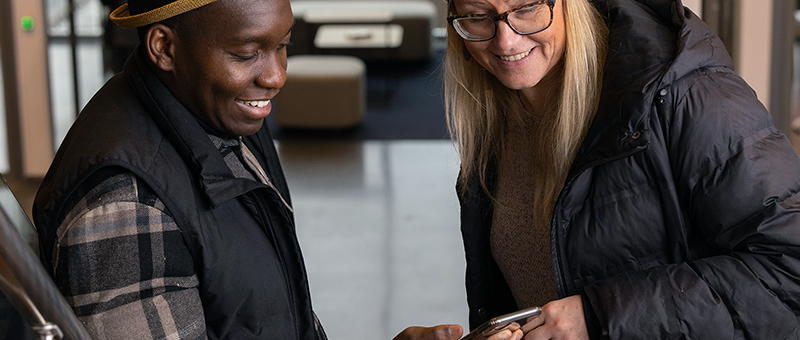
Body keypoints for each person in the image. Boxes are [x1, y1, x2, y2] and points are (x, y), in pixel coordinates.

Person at [31, 0, 465, 338]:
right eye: (246, 53)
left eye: (283, 46)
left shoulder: (222, 117)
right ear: (164, 47)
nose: (276, 76)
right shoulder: (126, 208)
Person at [444, 0, 800, 339]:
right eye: (477, 16)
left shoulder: (685, 92)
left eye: (526, 8)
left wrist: (602, 317)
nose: (505, 40)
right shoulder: (493, 119)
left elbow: (789, 268)